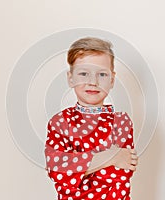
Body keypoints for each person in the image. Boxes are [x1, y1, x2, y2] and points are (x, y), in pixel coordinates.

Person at [44, 37, 139, 200]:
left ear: (112, 79)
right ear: (71, 78)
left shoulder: (121, 122)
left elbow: (121, 175)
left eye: (102, 74)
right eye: (84, 73)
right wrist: (112, 156)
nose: (93, 82)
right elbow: (59, 176)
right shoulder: (60, 123)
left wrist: (76, 165)